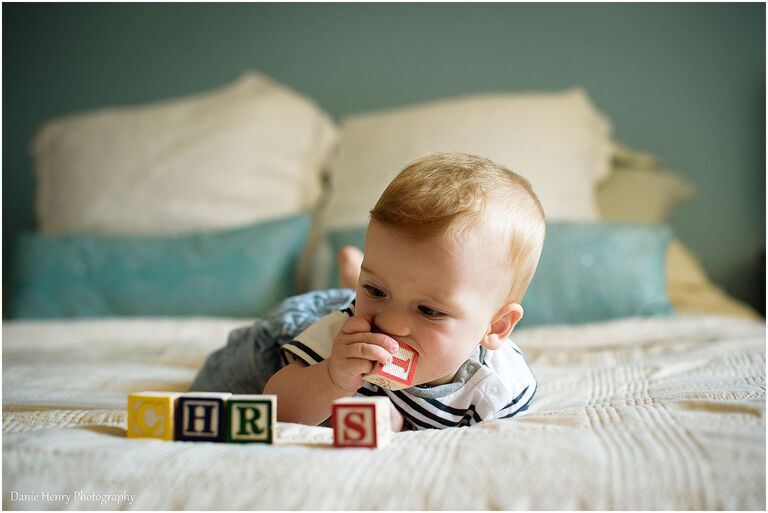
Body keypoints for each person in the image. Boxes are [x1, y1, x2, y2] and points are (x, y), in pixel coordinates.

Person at [191, 152, 546, 431]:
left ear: (496, 327)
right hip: (291, 333)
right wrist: (332, 377)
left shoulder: (497, 387)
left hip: (352, 309)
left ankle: (356, 279)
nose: (389, 324)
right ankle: (352, 282)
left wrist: (402, 423)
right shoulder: (344, 335)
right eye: (375, 288)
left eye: (428, 310)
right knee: (215, 386)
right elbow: (277, 409)